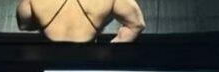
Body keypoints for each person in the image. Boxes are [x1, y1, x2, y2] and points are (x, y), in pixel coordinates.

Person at [16, 0, 145, 42]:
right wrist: (112, 49)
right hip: (89, 58)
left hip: (47, 57)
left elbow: (24, 25)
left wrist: (43, 22)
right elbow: (136, 25)